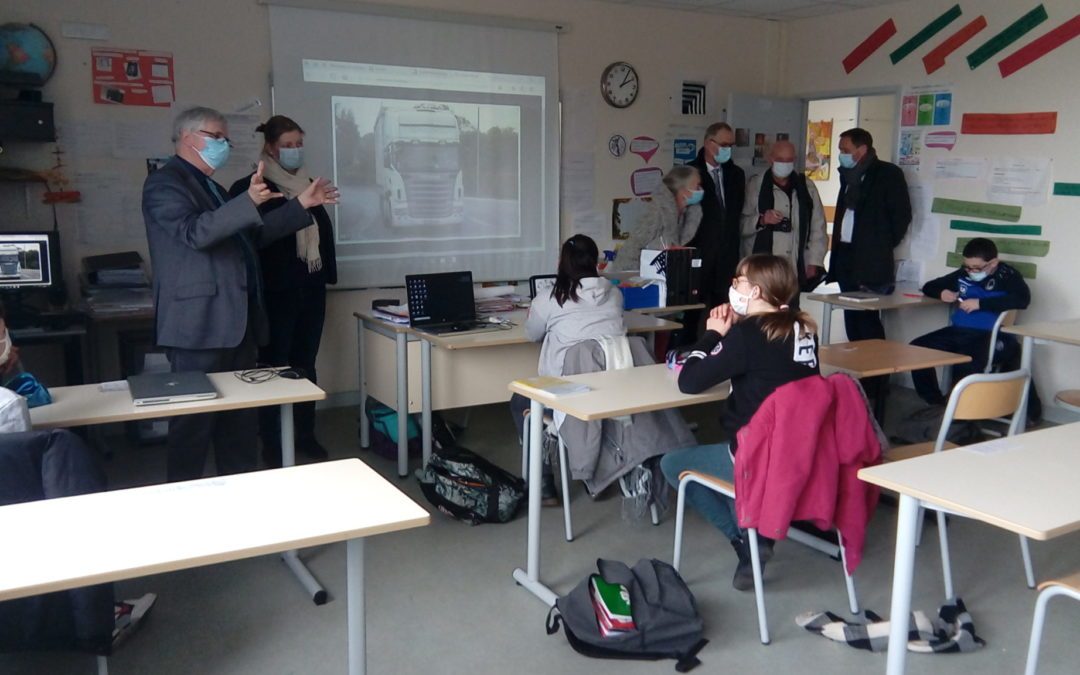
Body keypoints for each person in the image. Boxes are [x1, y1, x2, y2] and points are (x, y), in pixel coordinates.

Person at [142, 106, 339, 482]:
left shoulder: (212, 187)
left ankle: (244, 502)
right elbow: (195, 233)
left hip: (239, 324)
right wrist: (247, 202)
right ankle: (185, 510)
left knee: (239, 426)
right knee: (193, 428)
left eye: (225, 139)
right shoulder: (164, 184)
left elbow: (253, 236)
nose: (224, 145)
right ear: (188, 138)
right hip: (198, 328)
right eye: (217, 137)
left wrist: (301, 205)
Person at [660, 254, 820, 590]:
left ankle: (746, 541)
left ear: (757, 290)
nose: (733, 286)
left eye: (739, 281)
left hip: (755, 456)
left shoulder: (746, 336)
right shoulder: (804, 328)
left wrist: (713, 335)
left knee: (673, 463)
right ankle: (757, 527)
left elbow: (689, 382)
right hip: (804, 453)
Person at [229, 115, 338, 467]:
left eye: (298, 144)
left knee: (306, 364)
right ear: (270, 147)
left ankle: (305, 434)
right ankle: (273, 443)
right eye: (287, 145)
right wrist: (300, 205)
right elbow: (252, 239)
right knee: (275, 368)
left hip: (310, 290)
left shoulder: (307, 184)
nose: (295, 151)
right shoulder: (253, 187)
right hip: (275, 294)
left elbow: (320, 237)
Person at [512, 234, 626, 504]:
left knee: (520, 402)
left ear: (562, 262)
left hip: (566, 393)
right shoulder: (615, 295)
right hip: (612, 390)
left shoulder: (550, 298)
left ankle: (544, 485)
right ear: (596, 262)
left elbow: (532, 334)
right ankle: (597, 472)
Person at [910, 238, 1030, 405]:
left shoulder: (1007, 275)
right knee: (917, 348)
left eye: (976, 268)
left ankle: (962, 410)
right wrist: (942, 292)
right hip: (959, 331)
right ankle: (937, 402)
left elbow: (1023, 300)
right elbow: (929, 286)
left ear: (993, 263)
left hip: (991, 334)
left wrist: (980, 304)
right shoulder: (963, 273)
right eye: (967, 266)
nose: (971, 271)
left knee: (967, 361)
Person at [829, 127, 912, 341]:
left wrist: (879, 245)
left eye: (845, 149)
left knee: (867, 321)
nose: (841, 154)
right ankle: (856, 370)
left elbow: (900, 217)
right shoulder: (847, 175)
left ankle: (876, 374)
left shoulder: (887, 174)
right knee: (851, 317)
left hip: (871, 260)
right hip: (846, 256)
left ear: (862, 149)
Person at [740, 140, 827, 303]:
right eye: (780, 159)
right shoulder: (755, 185)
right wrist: (762, 220)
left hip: (793, 266)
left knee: (789, 313)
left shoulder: (807, 187)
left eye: (789, 160)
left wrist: (814, 261)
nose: (785, 164)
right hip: (760, 269)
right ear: (770, 159)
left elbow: (818, 227)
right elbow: (741, 226)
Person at [687, 122, 746, 308]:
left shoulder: (736, 174)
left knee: (724, 311)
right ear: (708, 143)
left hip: (727, 257)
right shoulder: (689, 173)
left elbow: (737, 213)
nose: (727, 150)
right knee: (691, 313)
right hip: (697, 255)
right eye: (723, 145)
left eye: (730, 145)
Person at [615, 166, 703, 271]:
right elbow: (634, 246)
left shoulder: (685, 216)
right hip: (643, 278)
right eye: (697, 186)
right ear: (683, 190)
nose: (700, 190)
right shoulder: (657, 211)